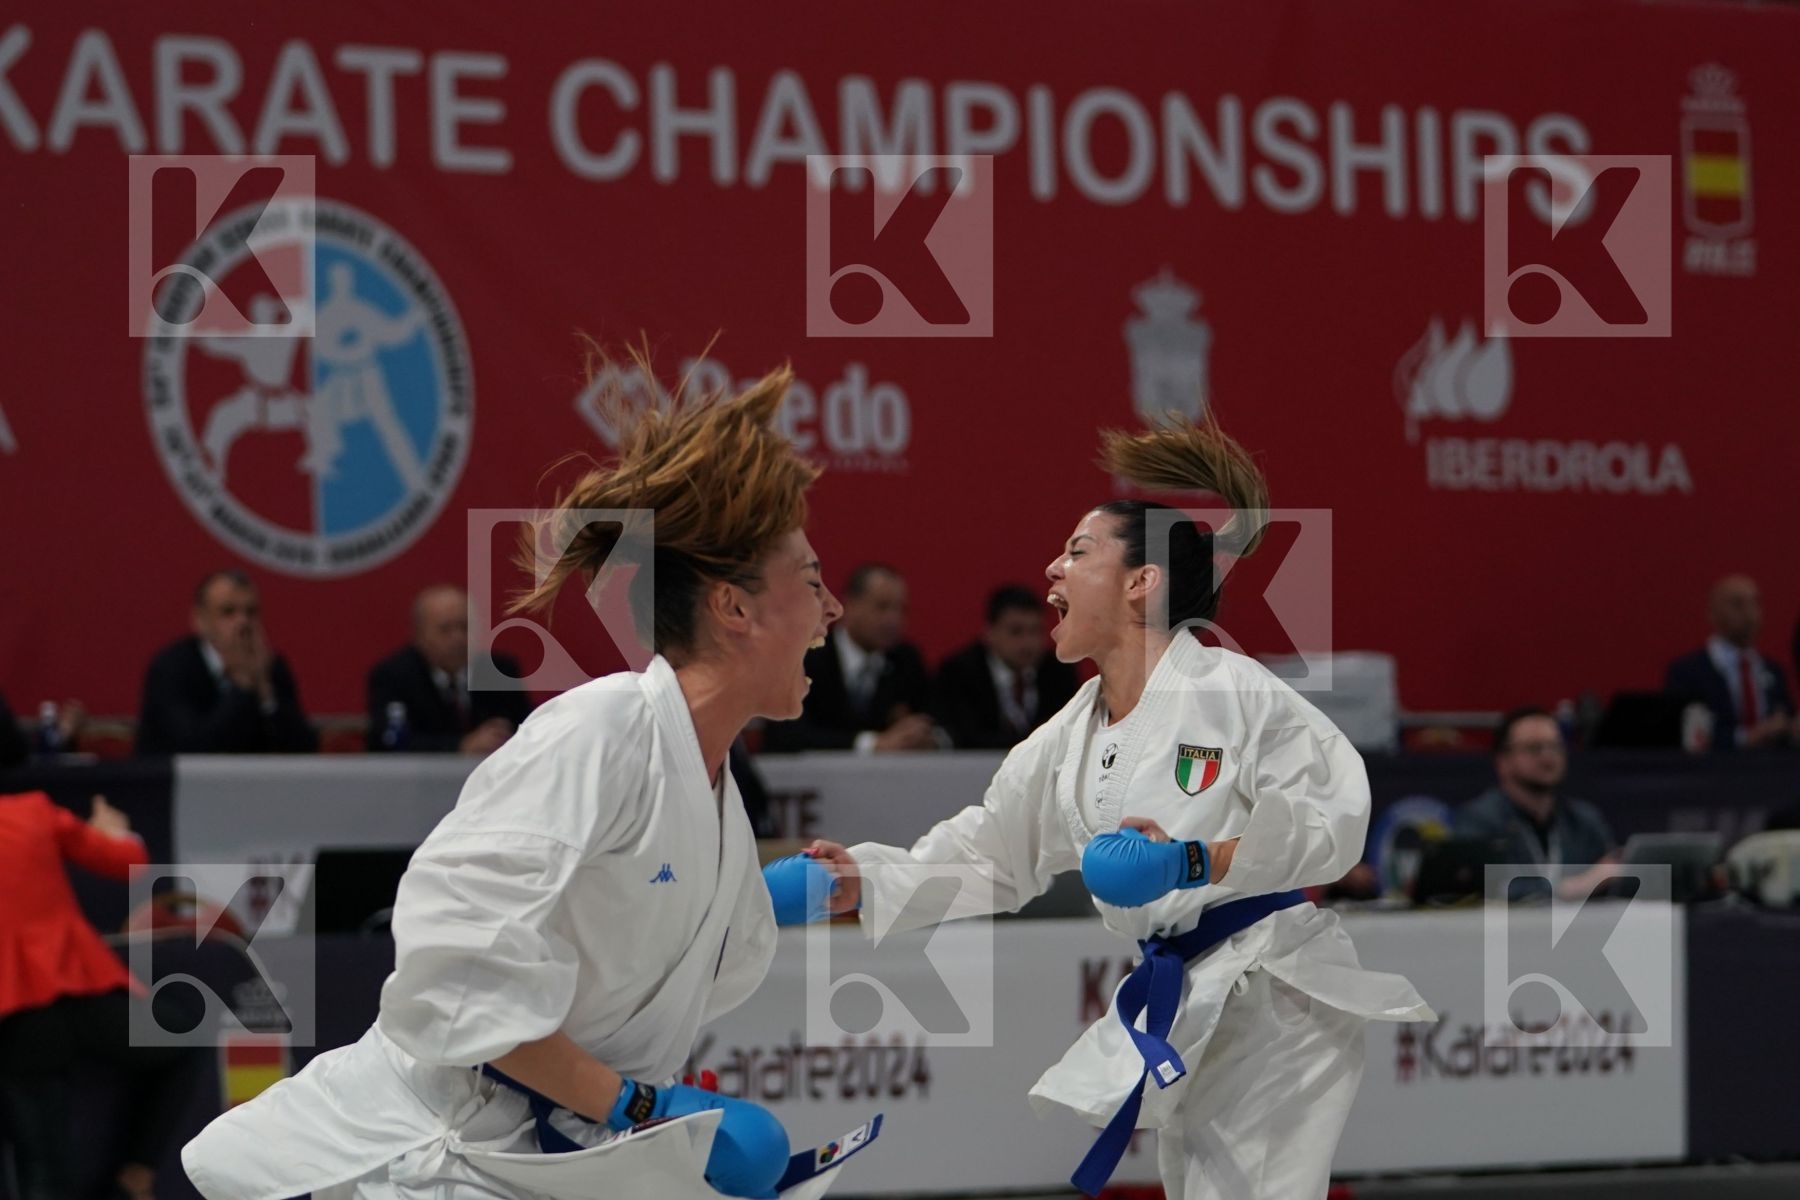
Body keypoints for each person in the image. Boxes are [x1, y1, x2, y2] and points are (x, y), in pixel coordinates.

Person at [183, 363, 844, 1200]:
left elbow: (622, 936)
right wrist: (642, 1104)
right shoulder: (597, 730)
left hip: (547, 1161)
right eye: (813, 583)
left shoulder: (712, 781)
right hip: (434, 1164)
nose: (833, 613)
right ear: (733, 610)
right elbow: (458, 980)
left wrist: (754, 897)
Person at [802, 419, 1433, 1200]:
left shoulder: (1231, 692)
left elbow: (1332, 824)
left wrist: (1194, 859)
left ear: (1142, 582)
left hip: (1273, 993)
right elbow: (991, 852)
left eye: (1076, 551)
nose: (1051, 567)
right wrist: (865, 877)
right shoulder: (1067, 734)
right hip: (1189, 994)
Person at [0, 791, 203, 1200]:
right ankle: (137, 1176)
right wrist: (116, 833)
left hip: (18, 1019)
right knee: (182, 1040)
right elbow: (126, 861)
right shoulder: (30, 812)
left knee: (41, 1168)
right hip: (76, 996)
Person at [135, 570, 319, 755]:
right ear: (200, 619)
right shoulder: (171, 668)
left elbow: (304, 749)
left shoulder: (272, 667)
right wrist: (242, 685)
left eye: (251, 612)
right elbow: (193, 749)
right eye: (228, 612)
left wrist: (266, 695)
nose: (243, 622)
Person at [761, 563, 937, 753]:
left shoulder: (905, 660)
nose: (893, 620)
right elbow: (786, 735)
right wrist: (871, 744)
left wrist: (922, 735)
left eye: (900, 609)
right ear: (850, 605)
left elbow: (931, 719)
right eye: (882, 607)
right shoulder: (805, 657)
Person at [1452, 707, 1619, 900]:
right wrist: (1571, 888)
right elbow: (1480, 890)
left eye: (1555, 746)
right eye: (1534, 748)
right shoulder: (1479, 821)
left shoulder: (1583, 819)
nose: (1547, 757)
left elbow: (1614, 875)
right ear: (1503, 761)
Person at [366, 584, 534, 754]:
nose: (458, 638)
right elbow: (388, 743)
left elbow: (530, 730)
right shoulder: (393, 676)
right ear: (419, 634)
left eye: (464, 627)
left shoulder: (500, 671)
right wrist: (460, 746)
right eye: (445, 629)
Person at [932, 584, 1079, 749]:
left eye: (1035, 631)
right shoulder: (959, 673)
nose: (1028, 642)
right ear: (989, 633)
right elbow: (965, 737)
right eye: (1016, 631)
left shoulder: (1058, 672)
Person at [1663, 574, 1793, 751]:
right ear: (1712, 613)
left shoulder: (1773, 671)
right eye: (1738, 604)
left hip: (1771, 772)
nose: (1750, 614)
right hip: (1715, 773)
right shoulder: (1688, 672)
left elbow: (1786, 717)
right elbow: (1686, 733)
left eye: (1755, 603)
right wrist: (1746, 738)